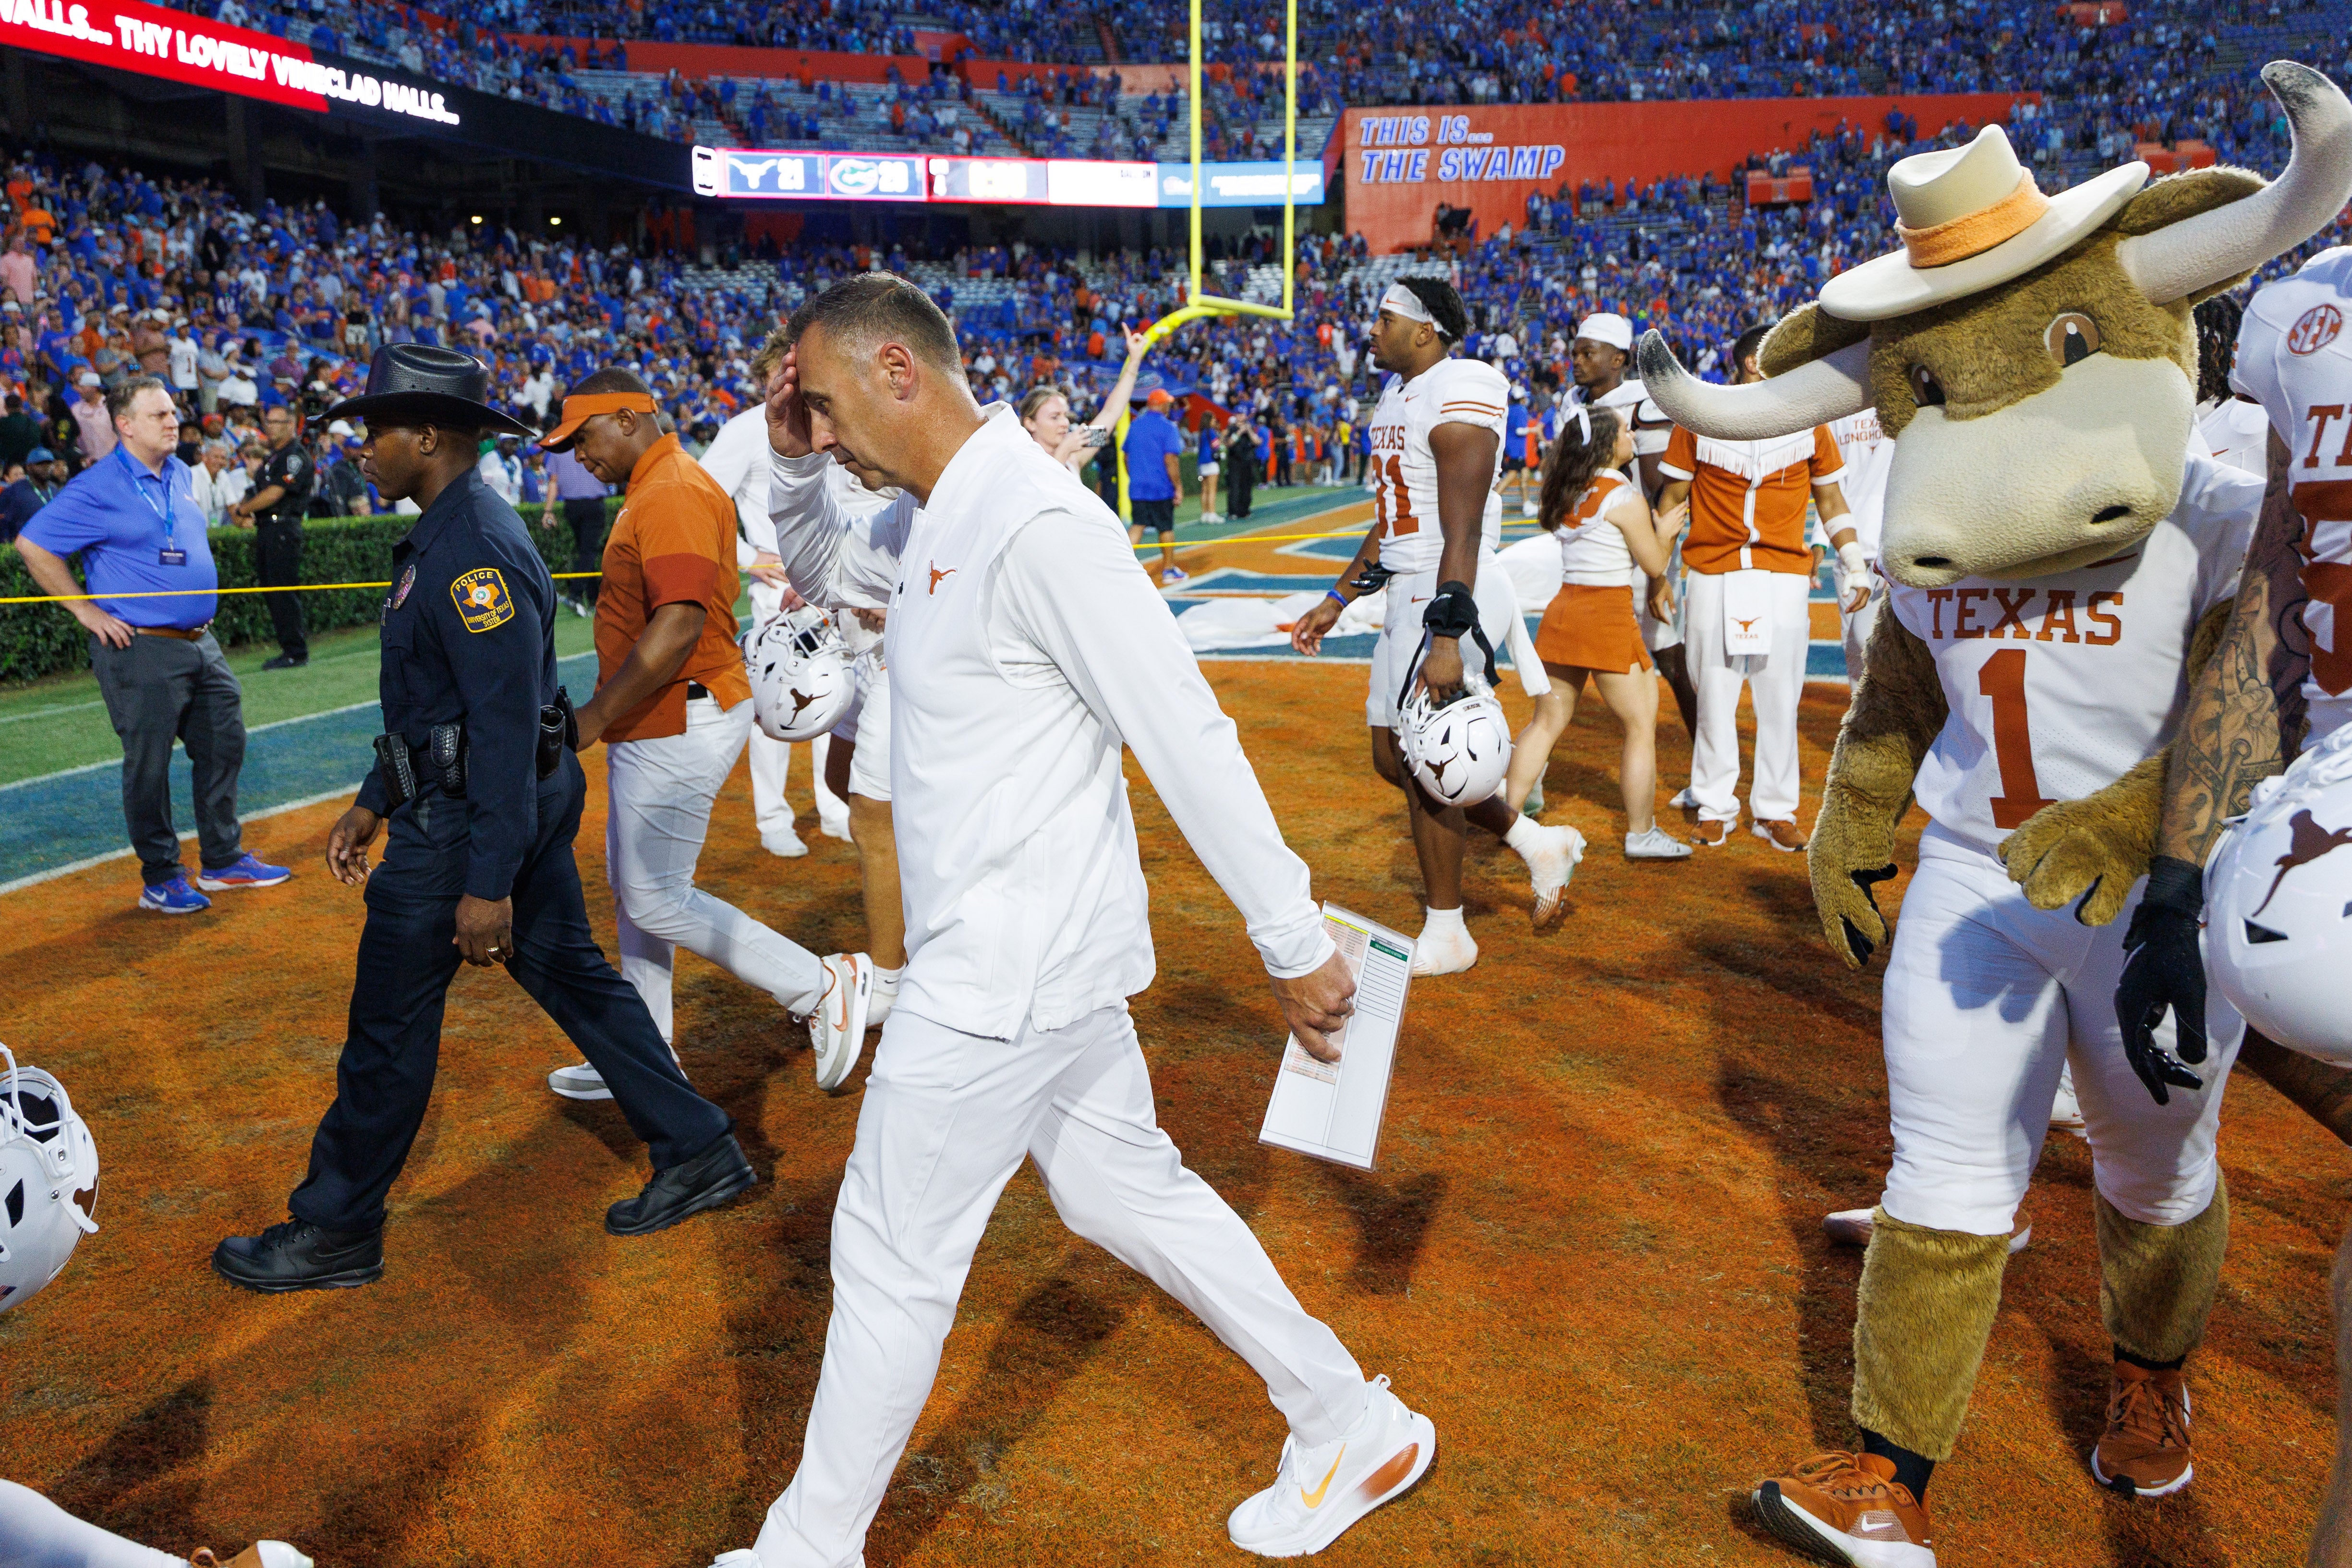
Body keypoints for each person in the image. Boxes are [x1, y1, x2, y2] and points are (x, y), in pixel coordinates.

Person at [712, 270, 1435, 1568]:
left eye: (822, 402)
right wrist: (794, 460)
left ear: (895, 373)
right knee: (1121, 1189)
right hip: (1038, 960)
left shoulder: (1036, 522)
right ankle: (1347, 1418)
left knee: (888, 1256)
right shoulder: (936, 509)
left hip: (1002, 973)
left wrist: (1290, 939)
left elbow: (1183, 727)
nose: (817, 427)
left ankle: (804, 1552)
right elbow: (820, 570)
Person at [211, 345, 757, 1293]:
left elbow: (498, 727)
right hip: (490, 798)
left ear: (430, 435)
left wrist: (487, 883)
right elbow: (437, 712)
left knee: (387, 1023)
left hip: (475, 818)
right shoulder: (454, 530)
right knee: (575, 977)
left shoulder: (472, 548)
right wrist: (374, 798)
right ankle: (699, 1144)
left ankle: (337, 1226)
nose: (363, 448)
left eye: (378, 429)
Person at [534, 368, 844, 1098]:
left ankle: (820, 986)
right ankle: (644, 1053)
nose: (579, 456)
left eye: (584, 438)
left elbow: (676, 625)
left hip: (681, 709)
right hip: (666, 711)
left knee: (655, 897)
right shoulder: (660, 483)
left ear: (626, 418)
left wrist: (594, 716)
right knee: (638, 892)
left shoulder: (670, 489)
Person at [1286, 277, 1582, 974]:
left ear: (1424, 331)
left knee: (1431, 758)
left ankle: (1448, 933)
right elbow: (1394, 519)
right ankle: (1536, 842)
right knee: (1393, 757)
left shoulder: (1462, 385)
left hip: (1449, 587)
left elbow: (1463, 526)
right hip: (1410, 584)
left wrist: (1446, 634)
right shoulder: (1398, 395)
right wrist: (1337, 598)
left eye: (1384, 319)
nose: (1371, 330)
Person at [12, 377, 291, 914]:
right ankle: (161, 876)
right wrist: (86, 610)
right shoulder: (97, 486)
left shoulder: (181, 471)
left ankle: (222, 859)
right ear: (125, 425)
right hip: (140, 647)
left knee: (224, 741)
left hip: (200, 642)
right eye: (159, 415)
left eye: (172, 412)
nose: (173, 421)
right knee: (149, 764)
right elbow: (33, 544)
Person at [1656, 320, 1863, 850]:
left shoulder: (1809, 423)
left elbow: (1831, 500)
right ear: (1754, 362)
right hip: (1712, 570)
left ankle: (1775, 809)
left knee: (1779, 697)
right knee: (1713, 694)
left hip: (1783, 574)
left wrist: (1853, 561)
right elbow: (1671, 501)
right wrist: (1658, 573)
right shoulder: (1699, 417)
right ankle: (1714, 803)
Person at [1500, 406, 1692, 860]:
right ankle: (1641, 833)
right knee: (1640, 725)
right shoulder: (1622, 494)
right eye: (1625, 430)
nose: (1632, 435)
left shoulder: (1570, 488)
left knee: (1545, 722)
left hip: (1564, 611)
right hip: (1606, 615)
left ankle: (1506, 817)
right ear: (1607, 443)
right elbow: (1654, 563)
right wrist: (1665, 532)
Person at [692, 328, 813, 860]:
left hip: (829, 583)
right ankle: (772, 818)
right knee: (776, 699)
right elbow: (702, 498)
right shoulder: (744, 430)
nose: (785, 385)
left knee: (837, 691)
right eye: (776, 375)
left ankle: (835, 806)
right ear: (764, 377)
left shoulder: (824, 421)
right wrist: (748, 558)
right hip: (778, 586)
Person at [1568, 312, 1694, 739]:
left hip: (1638, 553)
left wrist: (1659, 573)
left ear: (1619, 359)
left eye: (1588, 353)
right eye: (1575, 352)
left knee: (1669, 656)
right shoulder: (1572, 404)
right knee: (1571, 660)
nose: (1577, 361)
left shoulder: (1644, 402)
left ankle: (1708, 755)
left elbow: (1664, 495)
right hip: (1588, 551)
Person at [227, 403, 316, 670]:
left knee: (282, 591)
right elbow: (258, 490)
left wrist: (243, 510)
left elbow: (275, 493)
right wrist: (243, 512)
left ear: (291, 425)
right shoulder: (273, 457)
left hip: (283, 529)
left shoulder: (294, 456)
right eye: (269, 422)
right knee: (272, 590)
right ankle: (289, 648)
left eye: (277, 422)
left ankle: (295, 651)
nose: (271, 427)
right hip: (268, 528)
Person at [1018, 327, 1150, 475]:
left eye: (1065, 416)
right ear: (1030, 423)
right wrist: (1064, 449)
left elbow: (1111, 413)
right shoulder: (1022, 463)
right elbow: (1047, 483)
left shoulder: (1073, 457)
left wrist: (1134, 362)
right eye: (1055, 417)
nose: (1065, 423)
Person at [1124, 385, 1187, 583]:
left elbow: (1127, 457)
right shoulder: (1168, 427)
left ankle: (1121, 568)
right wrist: (1178, 486)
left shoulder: (1135, 425)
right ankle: (1169, 570)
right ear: (1161, 405)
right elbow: (1171, 460)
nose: (1169, 407)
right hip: (1160, 487)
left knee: (1138, 525)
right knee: (1165, 528)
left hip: (1138, 486)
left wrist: (1136, 476)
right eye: (1167, 404)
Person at [546, 436, 612, 613]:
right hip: (593, 505)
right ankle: (576, 595)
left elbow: (553, 481)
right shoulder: (594, 443)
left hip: (572, 506)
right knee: (588, 552)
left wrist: (548, 510)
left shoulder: (559, 450)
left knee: (585, 551)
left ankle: (593, 598)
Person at [0, 443, 62, 540]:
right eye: (40, 464)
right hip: (23, 544)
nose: (46, 467)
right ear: (29, 467)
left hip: (50, 542)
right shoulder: (15, 491)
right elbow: (4, 524)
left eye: (49, 463)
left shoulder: (55, 490)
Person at [1224, 410, 1258, 519]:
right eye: (1238, 414)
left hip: (1247, 462)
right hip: (1235, 462)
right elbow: (1229, 443)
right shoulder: (1231, 428)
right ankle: (1233, 512)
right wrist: (1239, 432)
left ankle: (1244, 510)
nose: (1240, 417)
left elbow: (1257, 442)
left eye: (1242, 414)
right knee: (1234, 487)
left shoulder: (1250, 427)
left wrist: (1249, 431)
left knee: (1247, 487)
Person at [1196, 412, 1223, 522]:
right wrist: (1222, 438)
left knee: (1205, 490)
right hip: (1211, 462)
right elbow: (1216, 445)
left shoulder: (1202, 432)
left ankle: (1205, 514)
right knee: (1212, 490)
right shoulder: (1211, 431)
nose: (1215, 421)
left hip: (1202, 463)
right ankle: (1212, 514)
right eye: (1213, 420)